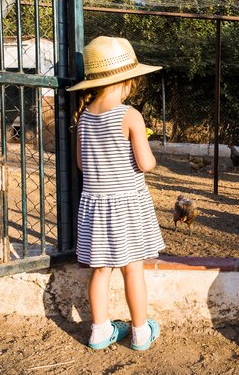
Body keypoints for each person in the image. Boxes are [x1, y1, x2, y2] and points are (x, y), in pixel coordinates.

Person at [68, 36, 165, 351]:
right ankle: (139, 332)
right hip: (126, 205)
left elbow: (82, 163)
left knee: (100, 270)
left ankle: (99, 331)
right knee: (132, 269)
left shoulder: (83, 117)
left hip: (95, 204)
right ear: (127, 81)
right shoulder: (129, 115)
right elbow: (146, 163)